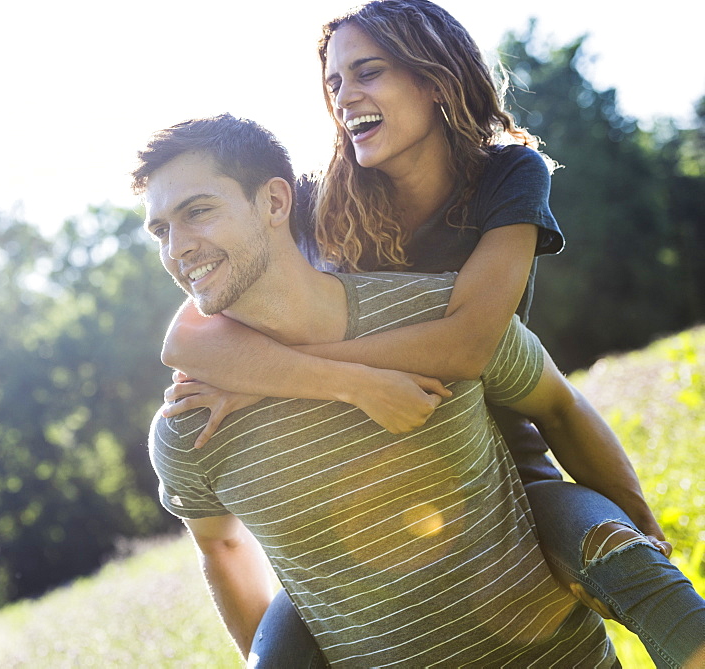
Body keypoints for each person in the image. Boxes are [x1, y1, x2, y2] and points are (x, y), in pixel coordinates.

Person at [156, 1, 705, 666]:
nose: (344, 96)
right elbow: (186, 336)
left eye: (368, 72)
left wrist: (279, 373)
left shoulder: (506, 173)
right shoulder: (321, 192)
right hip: (362, 492)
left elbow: (470, 343)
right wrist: (303, 380)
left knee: (630, 558)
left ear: (433, 76)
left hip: (504, 454)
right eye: (333, 82)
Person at [134, 113, 625, 666]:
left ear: (275, 204)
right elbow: (219, 544)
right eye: (160, 230)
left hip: (522, 497)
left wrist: (645, 535)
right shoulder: (193, 420)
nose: (177, 248)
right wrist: (342, 383)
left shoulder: (496, 200)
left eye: (197, 212)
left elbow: (492, 360)